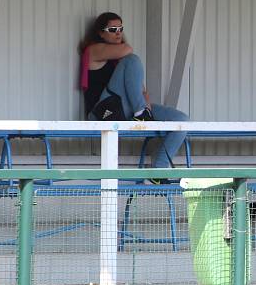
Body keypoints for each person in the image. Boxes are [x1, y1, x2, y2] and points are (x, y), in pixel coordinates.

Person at [79, 12, 188, 169]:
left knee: (181, 120)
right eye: (112, 29)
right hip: (103, 113)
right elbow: (127, 49)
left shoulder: (122, 62)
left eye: (120, 28)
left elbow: (143, 92)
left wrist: (147, 105)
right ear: (100, 33)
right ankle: (141, 114)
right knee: (132, 59)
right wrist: (142, 109)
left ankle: (159, 169)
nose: (118, 32)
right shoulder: (93, 50)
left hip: (130, 110)